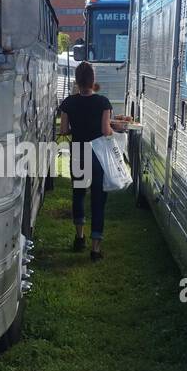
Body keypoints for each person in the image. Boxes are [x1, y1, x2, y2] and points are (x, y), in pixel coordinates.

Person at [58, 61, 114, 261]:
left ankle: (79, 237)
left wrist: (76, 130)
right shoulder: (103, 102)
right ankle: (95, 249)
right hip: (98, 155)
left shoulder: (68, 103)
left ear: (76, 80)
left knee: (79, 195)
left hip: (79, 152)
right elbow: (106, 131)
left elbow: (63, 130)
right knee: (98, 200)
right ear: (93, 80)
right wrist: (114, 130)